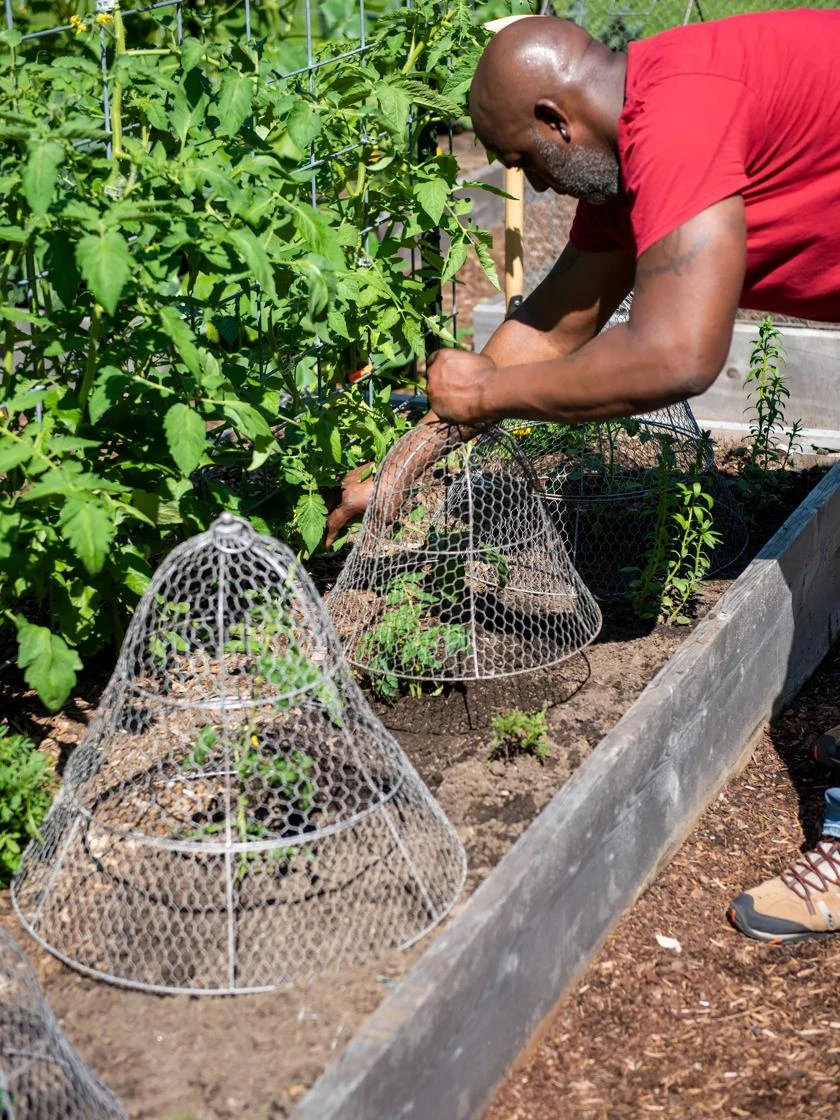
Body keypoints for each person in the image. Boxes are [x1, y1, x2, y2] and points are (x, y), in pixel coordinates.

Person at [326, 9, 840, 941]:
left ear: (559, 119)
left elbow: (678, 354)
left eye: (522, 159)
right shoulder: (640, 124)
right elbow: (564, 318)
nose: (525, 183)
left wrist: (485, 403)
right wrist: (409, 461)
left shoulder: (682, 113)